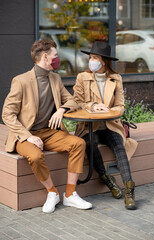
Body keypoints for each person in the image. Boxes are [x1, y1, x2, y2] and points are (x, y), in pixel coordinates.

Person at [2, 39, 92, 213]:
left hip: (50, 133)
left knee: (78, 144)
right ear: (45, 56)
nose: (58, 58)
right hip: (26, 134)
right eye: (55, 55)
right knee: (35, 157)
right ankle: (52, 192)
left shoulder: (55, 79)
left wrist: (61, 110)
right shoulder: (21, 81)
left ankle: (70, 195)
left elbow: (71, 100)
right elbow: (7, 114)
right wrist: (28, 136)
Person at [73, 41, 138, 210]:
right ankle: (107, 180)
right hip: (89, 126)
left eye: (95, 58)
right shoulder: (82, 77)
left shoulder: (116, 79)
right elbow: (77, 101)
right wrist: (94, 106)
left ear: (104, 61)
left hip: (109, 124)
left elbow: (121, 106)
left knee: (119, 146)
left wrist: (109, 110)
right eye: (91, 57)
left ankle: (129, 191)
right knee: (89, 143)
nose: (91, 61)